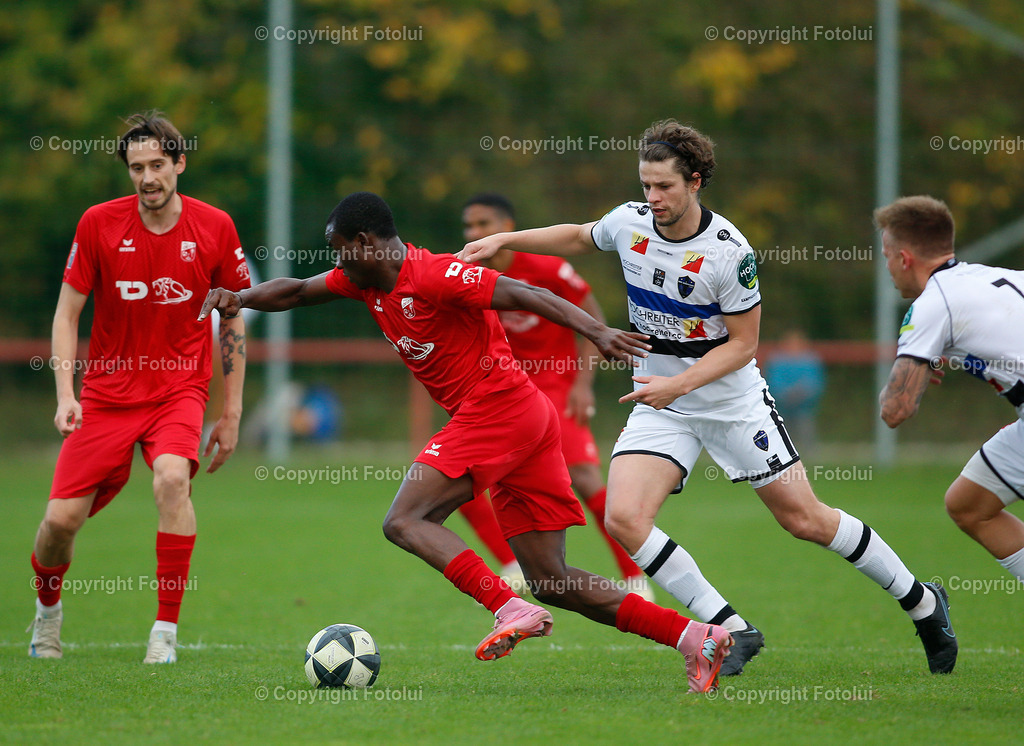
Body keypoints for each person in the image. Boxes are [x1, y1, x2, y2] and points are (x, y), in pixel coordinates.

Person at [459, 118, 957, 676]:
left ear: (695, 182)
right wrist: (506, 238)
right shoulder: (630, 222)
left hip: (731, 402)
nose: (653, 198)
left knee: (805, 520)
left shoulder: (729, 253)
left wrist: (678, 383)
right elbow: (578, 234)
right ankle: (731, 629)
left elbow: (745, 345)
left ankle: (922, 601)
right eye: (646, 186)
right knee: (624, 517)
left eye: (665, 186)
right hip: (663, 403)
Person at [199, 191, 734, 693]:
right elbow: (294, 291)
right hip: (523, 419)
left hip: (498, 408)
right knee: (551, 581)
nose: (336, 262)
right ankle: (697, 638)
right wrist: (238, 297)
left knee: (404, 520)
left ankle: (506, 605)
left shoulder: (434, 274)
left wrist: (595, 331)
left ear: (365, 244)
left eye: (340, 251)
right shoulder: (362, 281)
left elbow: (525, 291)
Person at [28, 112, 249, 664]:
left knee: (173, 478)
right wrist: (65, 394)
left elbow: (234, 320)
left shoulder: (215, 227)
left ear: (179, 163)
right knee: (59, 523)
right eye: (136, 167)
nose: (148, 177)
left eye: (157, 164)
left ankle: (164, 634)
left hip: (179, 390)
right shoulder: (98, 224)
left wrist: (232, 413)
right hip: (104, 396)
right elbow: (66, 313)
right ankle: (48, 616)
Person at [457, 192, 652, 601]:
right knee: (455, 479)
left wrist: (582, 384)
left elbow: (595, 318)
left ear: (507, 229)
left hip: (555, 387)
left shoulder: (548, 269)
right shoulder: (467, 273)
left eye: (483, 224)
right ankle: (511, 567)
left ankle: (633, 576)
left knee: (584, 478)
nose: (473, 233)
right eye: (469, 226)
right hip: (503, 392)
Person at [877, 195, 1024, 585]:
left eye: (887, 256)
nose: (887, 267)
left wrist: (906, 373)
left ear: (905, 258)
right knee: (970, 504)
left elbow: (896, 410)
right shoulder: (988, 276)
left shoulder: (932, 303)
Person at [763, 329, 826, 450]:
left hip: (804, 406)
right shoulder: (777, 361)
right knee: (781, 432)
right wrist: (786, 394)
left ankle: (809, 453)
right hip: (782, 405)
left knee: (805, 429)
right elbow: (773, 382)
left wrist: (802, 394)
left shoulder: (810, 360)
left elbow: (814, 382)